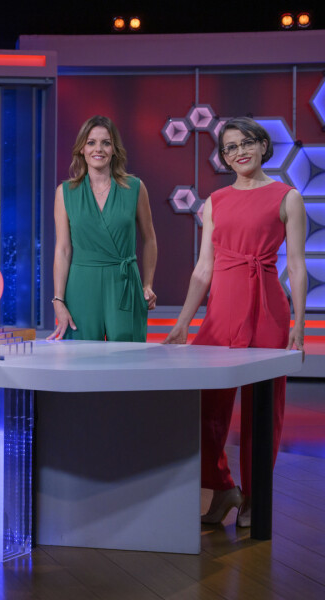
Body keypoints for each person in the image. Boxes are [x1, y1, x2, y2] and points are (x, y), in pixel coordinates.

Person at [164, 117, 307, 527]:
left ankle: (254, 495)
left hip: (268, 307)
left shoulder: (288, 197)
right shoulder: (215, 200)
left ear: (263, 146)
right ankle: (222, 485)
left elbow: (297, 266)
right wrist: (183, 322)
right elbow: (202, 269)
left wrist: (299, 323)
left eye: (246, 143)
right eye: (230, 147)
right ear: (224, 158)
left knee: (264, 407)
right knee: (205, 403)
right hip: (222, 308)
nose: (239, 151)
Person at [48, 115, 157, 342]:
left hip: (124, 283)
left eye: (106, 143)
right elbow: (63, 249)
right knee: (80, 358)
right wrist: (58, 299)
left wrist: (147, 284)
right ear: (82, 149)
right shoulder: (65, 193)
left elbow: (150, 239)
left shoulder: (135, 188)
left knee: (127, 358)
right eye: (91, 142)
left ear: (114, 149)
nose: (98, 149)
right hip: (81, 286)